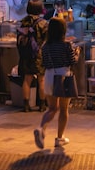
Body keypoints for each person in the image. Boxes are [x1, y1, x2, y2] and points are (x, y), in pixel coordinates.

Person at [34, 17, 79, 149]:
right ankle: (59, 138)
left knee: (52, 108)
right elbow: (73, 61)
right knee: (64, 108)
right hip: (63, 75)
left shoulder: (45, 46)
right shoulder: (66, 45)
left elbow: (44, 63)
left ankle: (41, 128)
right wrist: (77, 53)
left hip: (49, 76)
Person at [17, 0, 50, 113]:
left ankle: (26, 105)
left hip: (26, 55)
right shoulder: (43, 23)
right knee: (41, 80)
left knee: (27, 79)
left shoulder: (23, 22)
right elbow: (47, 39)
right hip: (39, 55)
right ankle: (42, 105)